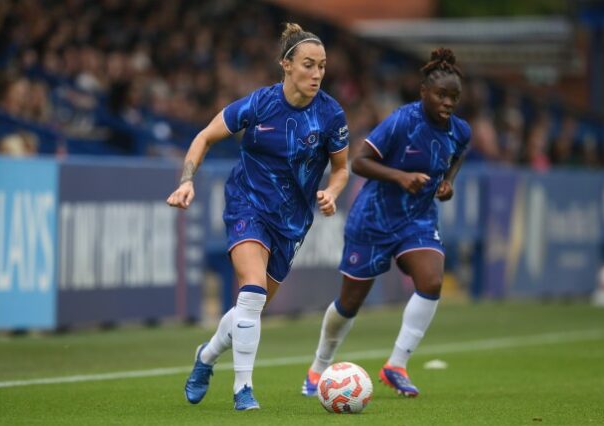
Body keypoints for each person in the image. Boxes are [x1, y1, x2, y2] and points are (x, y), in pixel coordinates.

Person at [166, 23, 350, 410]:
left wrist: (332, 193)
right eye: (307, 65)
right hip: (246, 206)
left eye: (322, 66)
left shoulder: (331, 115)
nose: (316, 74)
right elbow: (204, 137)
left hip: (292, 223)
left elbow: (341, 168)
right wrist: (186, 180)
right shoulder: (258, 104)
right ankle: (243, 389)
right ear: (286, 65)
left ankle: (206, 356)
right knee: (252, 291)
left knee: (250, 308)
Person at [301, 48, 470, 398]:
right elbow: (359, 162)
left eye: (454, 97)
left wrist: (447, 180)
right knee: (349, 303)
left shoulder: (460, 130)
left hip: (418, 219)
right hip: (373, 221)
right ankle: (318, 367)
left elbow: (456, 155)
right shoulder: (402, 122)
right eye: (441, 95)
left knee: (432, 280)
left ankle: (396, 364)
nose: (448, 103)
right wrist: (400, 177)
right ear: (423, 92)